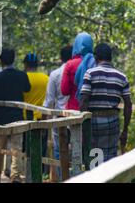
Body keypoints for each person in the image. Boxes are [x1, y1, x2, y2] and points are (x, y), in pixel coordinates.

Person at [80, 43, 132, 161]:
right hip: (113, 121)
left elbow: (84, 100)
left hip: (93, 121)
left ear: (96, 57)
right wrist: (125, 130)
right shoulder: (122, 77)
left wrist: (83, 126)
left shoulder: (90, 74)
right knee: (110, 157)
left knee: (93, 156)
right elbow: (128, 104)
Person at [0, 49, 31, 183]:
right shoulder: (21, 75)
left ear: (1, 61)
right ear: (14, 60)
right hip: (17, 116)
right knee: (16, 148)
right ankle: (16, 176)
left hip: (1, 117)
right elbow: (27, 88)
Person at [43, 45, 72, 180]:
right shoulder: (80, 71)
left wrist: (43, 120)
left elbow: (49, 101)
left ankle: (62, 179)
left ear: (61, 58)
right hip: (76, 116)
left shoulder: (55, 74)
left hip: (59, 117)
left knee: (59, 151)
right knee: (75, 150)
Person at [61, 32, 94, 110]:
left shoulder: (70, 65)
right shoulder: (95, 63)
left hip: (73, 109)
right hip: (92, 110)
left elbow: (64, 91)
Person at [23, 53, 49, 120]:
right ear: (37, 64)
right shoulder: (46, 78)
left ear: (25, 64)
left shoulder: (22, 78)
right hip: (42, 118)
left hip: (25, 119)